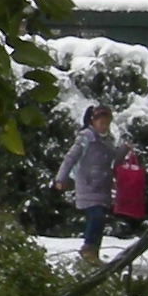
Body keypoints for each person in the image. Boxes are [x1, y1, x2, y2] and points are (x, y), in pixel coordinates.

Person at [53, 104, 132, 267]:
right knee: (96, 215)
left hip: (103, 186)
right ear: (93, 122)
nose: (104, 127)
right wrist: (61, 178)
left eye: (107, 124)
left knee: (100, 219)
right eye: (101, 123)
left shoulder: (108, 141)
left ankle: (93, 252)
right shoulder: (85, 138)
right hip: (88, 185)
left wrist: (124, 150)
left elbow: (113, 161)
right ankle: (88, 248)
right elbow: (70, 159)